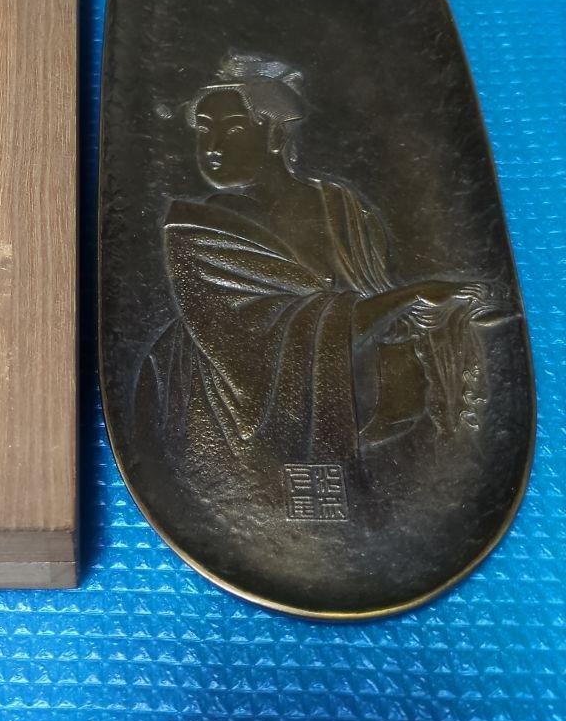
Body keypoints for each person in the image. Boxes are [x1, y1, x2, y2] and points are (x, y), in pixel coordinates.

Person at [135, 52, 496, 478]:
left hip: (362, 394)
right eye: (203, 130)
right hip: (228, 411)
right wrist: (411, 296)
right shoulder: (200, 229)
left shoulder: (343, 209)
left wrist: (444, 314)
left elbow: (374, 304)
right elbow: (269, 342)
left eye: (233, 130)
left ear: (275, 134)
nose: (212, 147)